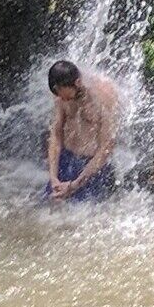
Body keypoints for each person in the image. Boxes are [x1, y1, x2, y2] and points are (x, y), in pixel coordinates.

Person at [42, 54, 122, 206]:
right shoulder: (61, 95)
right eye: (59, 96)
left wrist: (75, 184)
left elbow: (106, 148)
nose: (62, 100)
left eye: (66, 96)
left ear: (77, 83)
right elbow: (56, 135)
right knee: (48, 207)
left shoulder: (104, 99)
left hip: (93, 168)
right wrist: (53, 177)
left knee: (83, 217)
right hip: (66, 160)